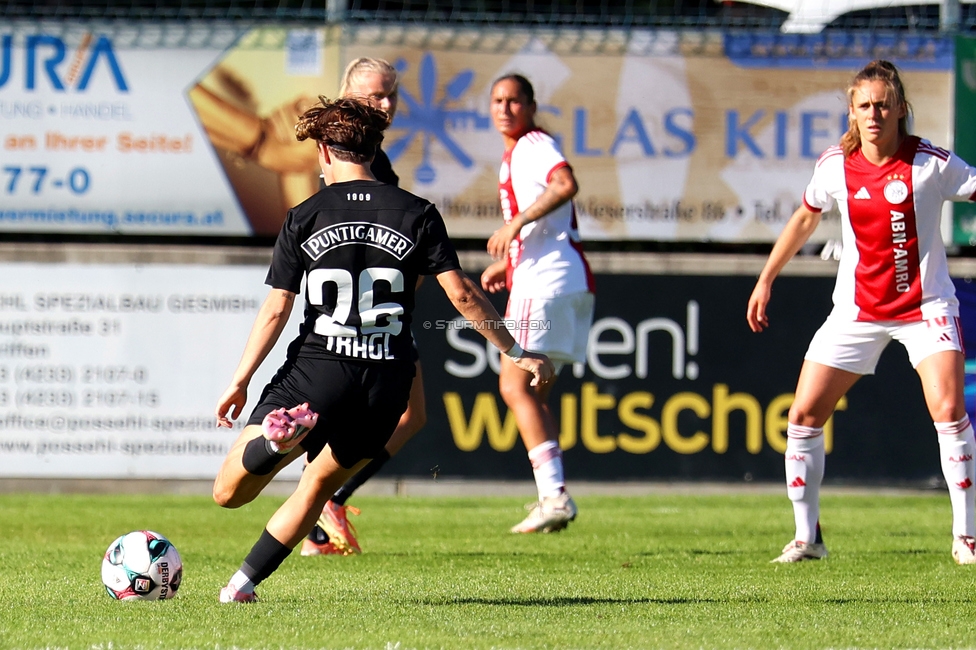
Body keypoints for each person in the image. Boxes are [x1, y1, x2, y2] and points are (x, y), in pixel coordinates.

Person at [213, 96, 555, 603]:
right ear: (374, 149)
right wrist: (516, 350)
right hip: (384, 381)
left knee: (228, 492)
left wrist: (240, 379)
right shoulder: (418, 212)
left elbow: (276, 309)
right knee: (316, 489)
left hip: (316, 372)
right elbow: (461, 295)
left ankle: (277, 443)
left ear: (326, 151)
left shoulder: (305, 215)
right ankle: (241, 587)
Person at [746, 59, 976, 564]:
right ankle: (808, 539)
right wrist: (766, 278)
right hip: (856, 312)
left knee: (949, 411)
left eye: (882, 105)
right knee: (803, 416)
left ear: (900, 110)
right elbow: (806, 216)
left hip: (925, 306)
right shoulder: (834, 165)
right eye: (864, 106)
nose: (873, 114)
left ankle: (966, 537)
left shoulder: (930, 163)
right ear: (851, 112)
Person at [300, 57, 415, 557]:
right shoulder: (347, 156)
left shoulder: (372, 153)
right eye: (373, 95)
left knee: (411, 415)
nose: (384, 103)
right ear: (348, 93)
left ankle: (321, 518)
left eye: (390, 94)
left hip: (377, 302)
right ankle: (326, 502)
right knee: (402, 414)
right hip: (362, 307)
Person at [481, 74, 595, 534]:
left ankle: (554, 497)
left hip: (546, 282)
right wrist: (507, 263)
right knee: (536, 391)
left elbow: (565, 183)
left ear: (530, 105)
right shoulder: (518, 150)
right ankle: (552, 493)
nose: (505, 108)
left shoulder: (533, 144)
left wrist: (514, 227)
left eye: (514, 100)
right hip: (562, 278)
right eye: (497, 100)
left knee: (515, 386)